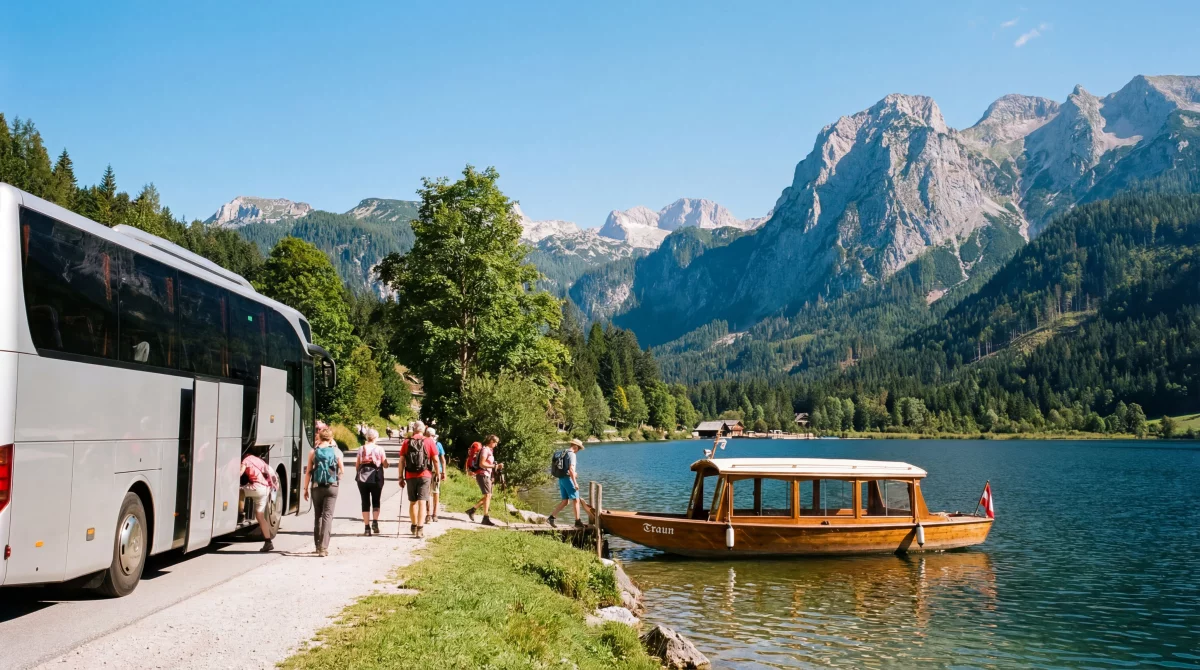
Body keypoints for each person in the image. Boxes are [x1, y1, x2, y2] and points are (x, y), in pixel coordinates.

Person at [303, 426, 344, 556]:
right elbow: (342, 470)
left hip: (316, 486)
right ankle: (324, 548)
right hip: (332, 486)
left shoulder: (313, 452)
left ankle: (317, 545)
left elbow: (308, 472)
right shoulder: (336, 452)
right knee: (328, 516)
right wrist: (337, 478)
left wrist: (305, 489)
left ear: (319, 438)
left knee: (318, 515)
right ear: (331, 438)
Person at [400, 421, 440, 538]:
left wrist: (400, 477)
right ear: (423, 429)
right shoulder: (429, 441)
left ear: (413, 429)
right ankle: (420, 528)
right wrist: (437, 473)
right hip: (425, 475)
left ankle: (413, 524)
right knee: (422, 502)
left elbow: (402, 461)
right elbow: (436, 460)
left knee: (413, 502)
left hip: (410, 475)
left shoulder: (407, 442)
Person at [547, 438, 594, 529]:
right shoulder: (572, 454)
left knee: (565, 501)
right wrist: (575, 483)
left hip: (561, 479)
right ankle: (577, 521)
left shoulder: (563, 452)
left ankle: (551, 517)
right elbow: (571, 469)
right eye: (579, 449)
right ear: (576, 447)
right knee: (576, 499)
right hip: (568, 479)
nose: (578, 451)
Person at [240, 452, 277, 552]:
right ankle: (268, 542)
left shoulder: (246, 460)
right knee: (260, 516)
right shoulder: (259, 460)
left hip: (257, 487)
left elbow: (240, 473)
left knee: (240, 491)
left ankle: (240, 514)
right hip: (266, 489)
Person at [356, 428, 388, 535]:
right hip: (376, 477)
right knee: (376, 500)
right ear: (376, 437)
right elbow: (384, 464)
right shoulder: (380, 449)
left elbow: (357, 465)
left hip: (362, 478)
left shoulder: (361, 449)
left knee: (364, 501)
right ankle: (375, 522)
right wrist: (387, 464)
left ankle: (366, 528)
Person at [465, 435, 499, 526]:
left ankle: (472, 510)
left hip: (487, 474)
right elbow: (482, 463)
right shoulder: (485, 450)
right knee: (487, 495)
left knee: (488, 496)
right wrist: (495, 466)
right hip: (482, 474)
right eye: (495, 442)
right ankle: (485, 518)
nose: (496, 444)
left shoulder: (489, 451)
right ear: (491, 441)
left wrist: (494, 466)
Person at [425, 427, 446, 524]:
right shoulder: (438, 444)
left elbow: (442, 459)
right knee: (434, 492)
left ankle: (430, 514)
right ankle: (432, 514)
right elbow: (442, 459)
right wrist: (443, 472)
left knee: (430, 493)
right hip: (434, 471)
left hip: (428, 471)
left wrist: (443, 472)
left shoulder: (425, 443)